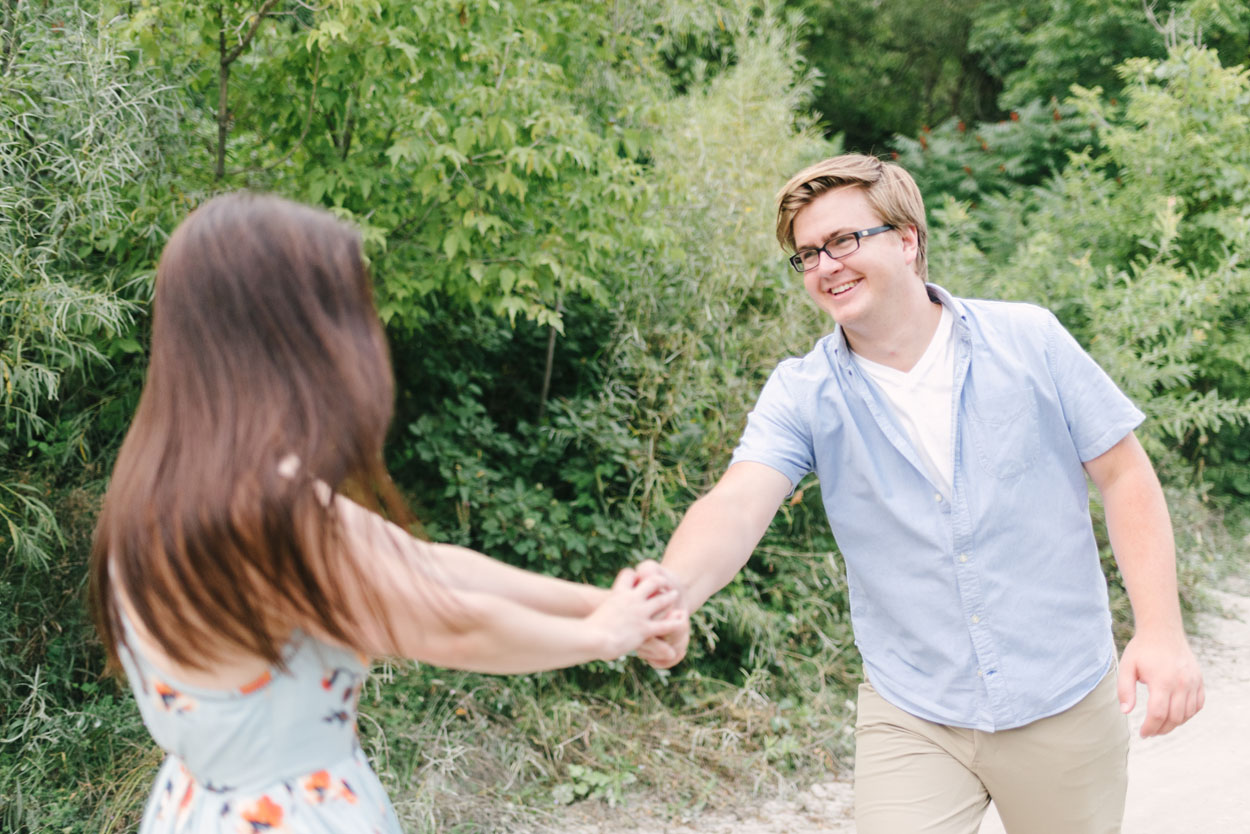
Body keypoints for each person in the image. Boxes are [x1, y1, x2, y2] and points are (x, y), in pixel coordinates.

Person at [636, 153, 1204, 833]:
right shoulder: (803, 392)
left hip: (1062, 697)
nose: (825, 265)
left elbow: (1124, 474)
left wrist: (1162, 632)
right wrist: (673, 590)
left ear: (907, 240)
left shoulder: (1029, 341)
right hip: (914, 709)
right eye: (808, 253)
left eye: (844, 240)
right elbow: (737, 502)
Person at [89, 192, 685, 834]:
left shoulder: (170, 483)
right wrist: (601, 637)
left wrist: (606, 604)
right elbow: (449, 625)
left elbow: (427, 565)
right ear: (286, 333)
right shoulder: (263, 509)